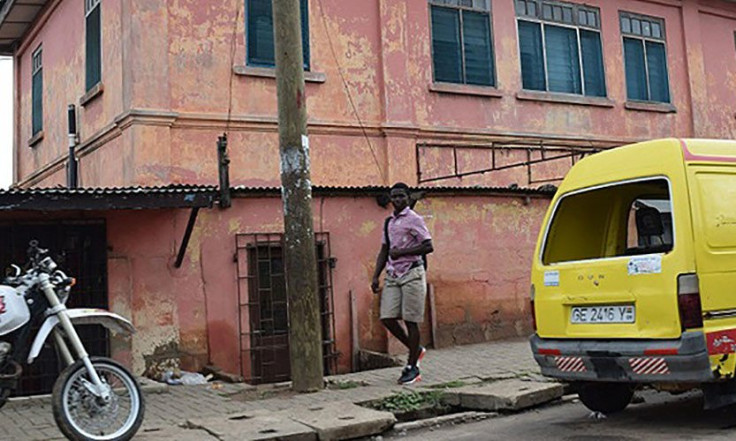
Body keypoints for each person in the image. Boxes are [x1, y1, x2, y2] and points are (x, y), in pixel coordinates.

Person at [371, 182, 434, 385]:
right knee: (387, 317)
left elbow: (428, 245)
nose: (397, 200)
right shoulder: (389, 222)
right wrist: (375, 275)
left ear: (408, 198)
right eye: (394, 196)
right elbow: (384, 250)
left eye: (401, 196)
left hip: (412, 272)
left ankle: (412, 367)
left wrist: (403, 253)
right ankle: (416, 349)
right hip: (392, 274)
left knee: (410, 320)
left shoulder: (414, 219)